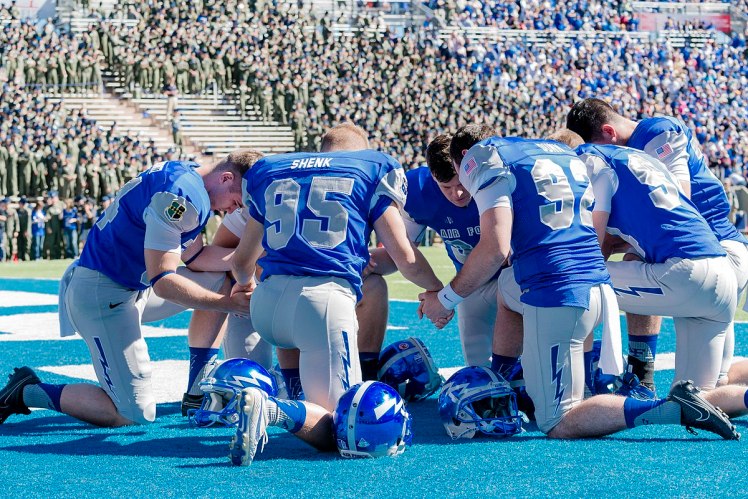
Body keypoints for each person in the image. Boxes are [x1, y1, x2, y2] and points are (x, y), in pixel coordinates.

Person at [420, 124, 739, 440]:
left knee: (558, 420)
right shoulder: (565, 156)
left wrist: (444, 299)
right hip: (713, 273)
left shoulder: (486, 156)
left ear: (465, 155)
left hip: (569, 286)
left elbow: (496, 247)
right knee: (706, 392)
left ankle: (664, 408)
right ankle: (724, 398)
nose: (461, 184)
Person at [228, 122, 444, 465]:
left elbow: (242, 261)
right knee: (343, 428)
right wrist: (437, 291)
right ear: (362, 148)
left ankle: (296, 399)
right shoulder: (372, 167)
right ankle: (272, 409)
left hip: (267, 304)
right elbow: (404, 256)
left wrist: (245, 284)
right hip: (321, 304)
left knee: (305, 358)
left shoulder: (271, 169)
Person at [0, 152, 261, 428]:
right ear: (226, 178)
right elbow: (163, 282)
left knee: (220, 278)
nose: (233, 210)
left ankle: (197, 391)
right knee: (132, 413)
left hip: (131, 287)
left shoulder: (188, 177)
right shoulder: (182, 196)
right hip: (104, 295)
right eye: (235, 202)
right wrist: (227, 304)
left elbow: (196, 258)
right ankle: (26, 391)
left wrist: (254, 256)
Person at [566, 98, 748, 388]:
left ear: (609, 133)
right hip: (711, 260)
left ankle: (633, 373)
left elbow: (679, 199)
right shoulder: (635, 151)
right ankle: (641, 373)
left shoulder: (657, 131)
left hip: (715, 252)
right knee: (706, 390)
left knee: (585, 277)